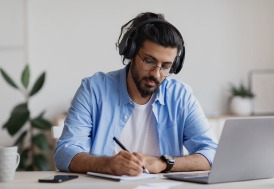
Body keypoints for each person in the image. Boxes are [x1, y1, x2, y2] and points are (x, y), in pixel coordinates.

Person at [54, 12, 218, 176]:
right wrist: (107, 164)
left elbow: (211, 153)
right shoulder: (93, 89)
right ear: (131, 51)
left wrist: (163, 163)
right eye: (149, 61)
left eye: (166, 66)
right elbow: (64, 153)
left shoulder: (181, 96)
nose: (156, 73)